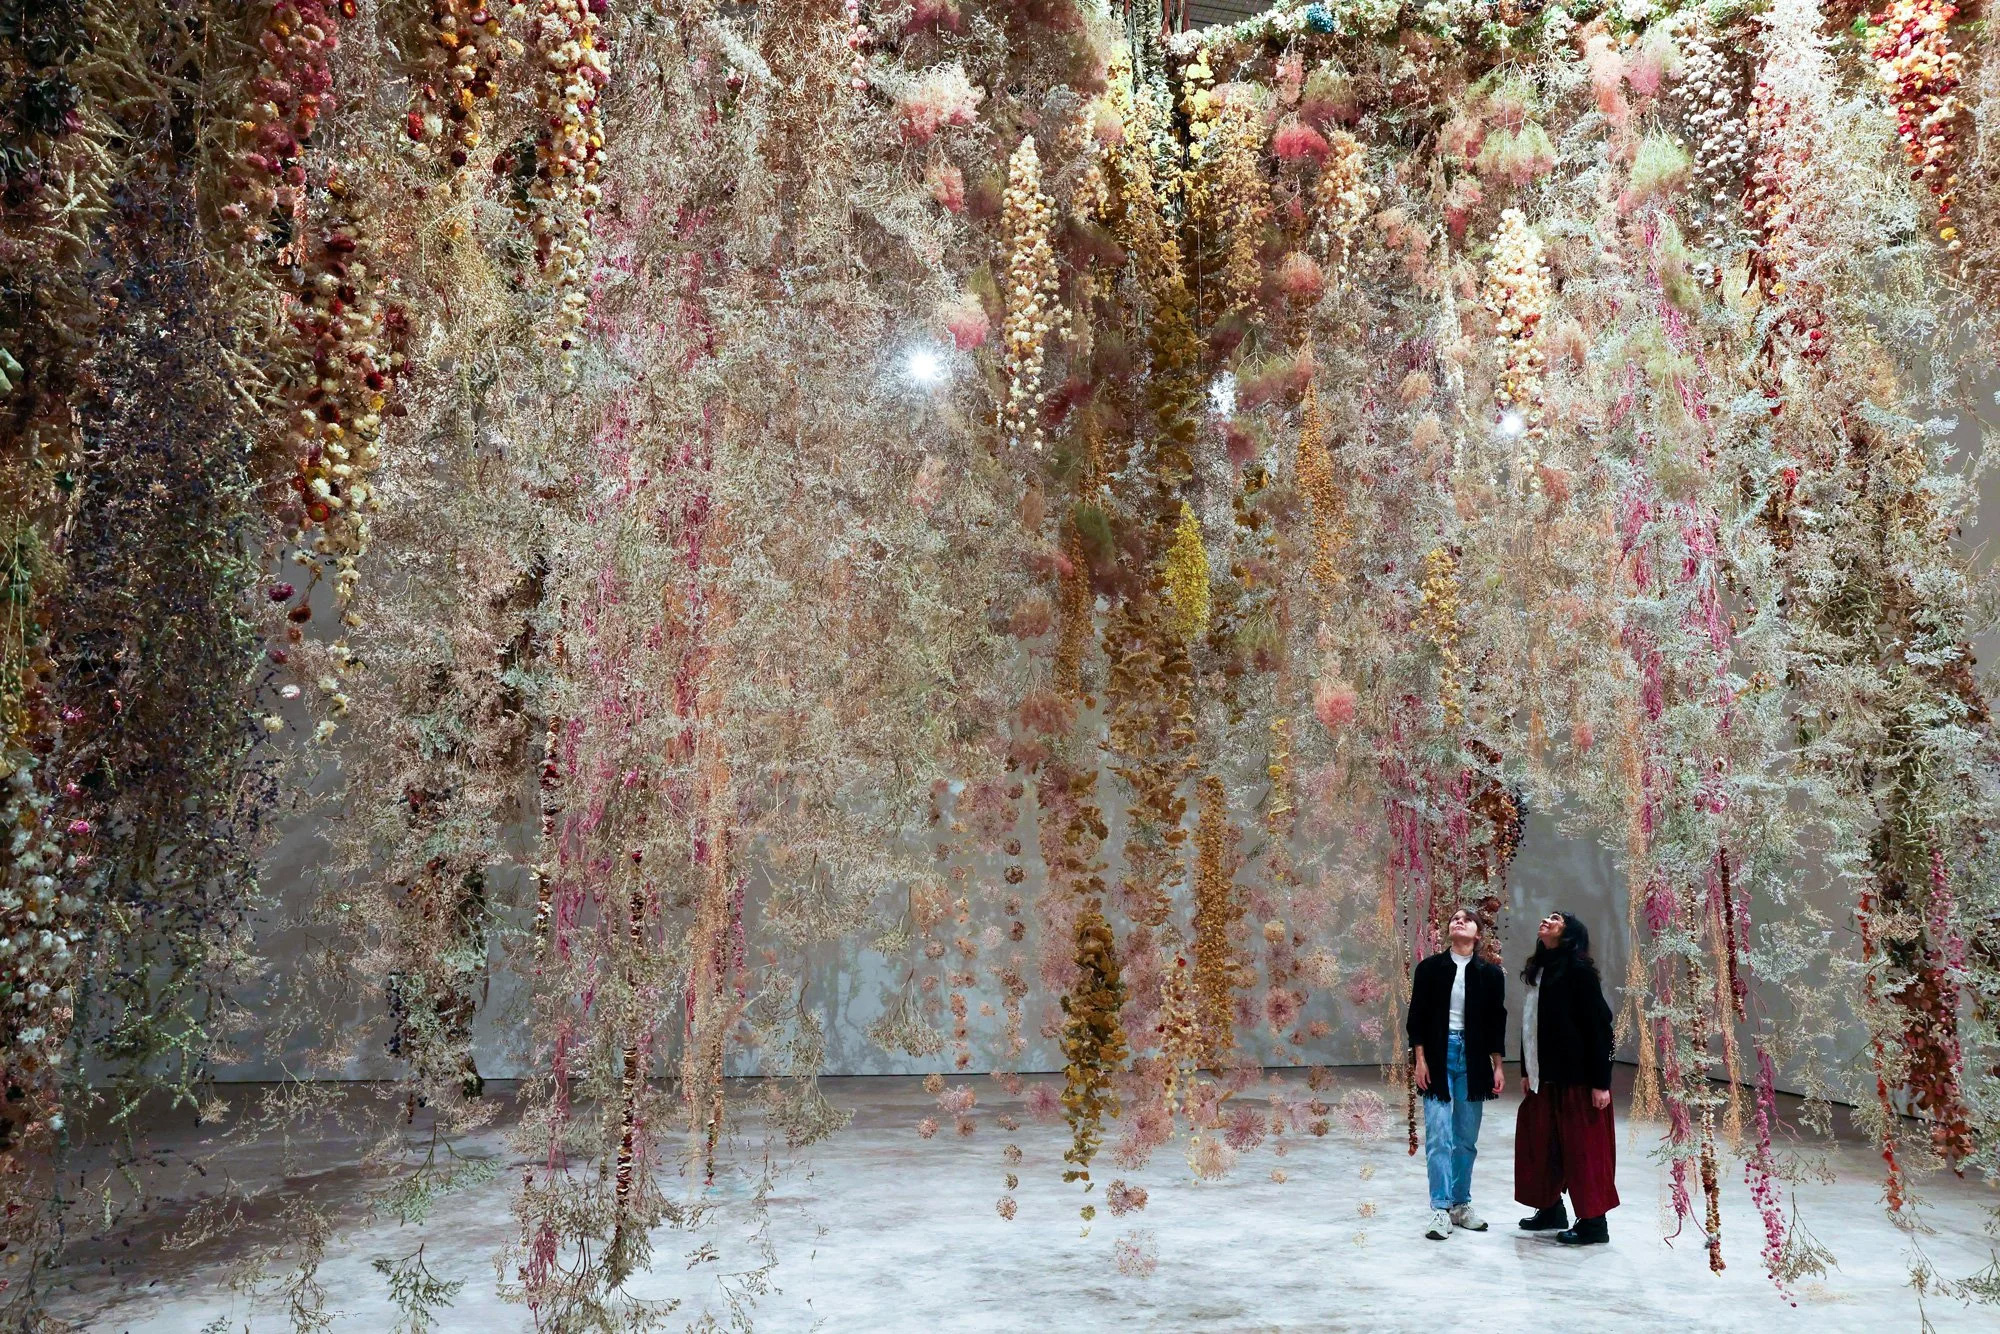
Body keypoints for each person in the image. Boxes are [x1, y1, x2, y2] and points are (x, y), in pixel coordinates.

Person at [1514, 910, 1619, 1245]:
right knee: (1539, 1145)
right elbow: (1530, 1024)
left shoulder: (1578, 971)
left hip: (1577, 1079)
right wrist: (1527, 1070)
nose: (1545, 919)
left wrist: (1601, 1082)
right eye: (1545, 916)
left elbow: (1601, 1027)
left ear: (1570, 932)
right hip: (1544, 1078)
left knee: (1584, 1151)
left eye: (1555, 918)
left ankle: (1593, 1223)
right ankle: (1549, 1208)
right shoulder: (1540, 970)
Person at [1405, 905, 1507, 1240]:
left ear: (1478, 933)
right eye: (1454, 918)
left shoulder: (1490, 974)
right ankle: (1439, 1208)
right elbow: (1417, 1017)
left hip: (1474, 1057)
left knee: (1465, 1138)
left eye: (1467, 919)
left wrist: (1497, 1065)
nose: (1458, 921)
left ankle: (1461, 1204)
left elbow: (1496, 1023)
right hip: (1438, 1052)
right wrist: (1420, 1059)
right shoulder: (1430, 968)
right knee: (1438, 1135)